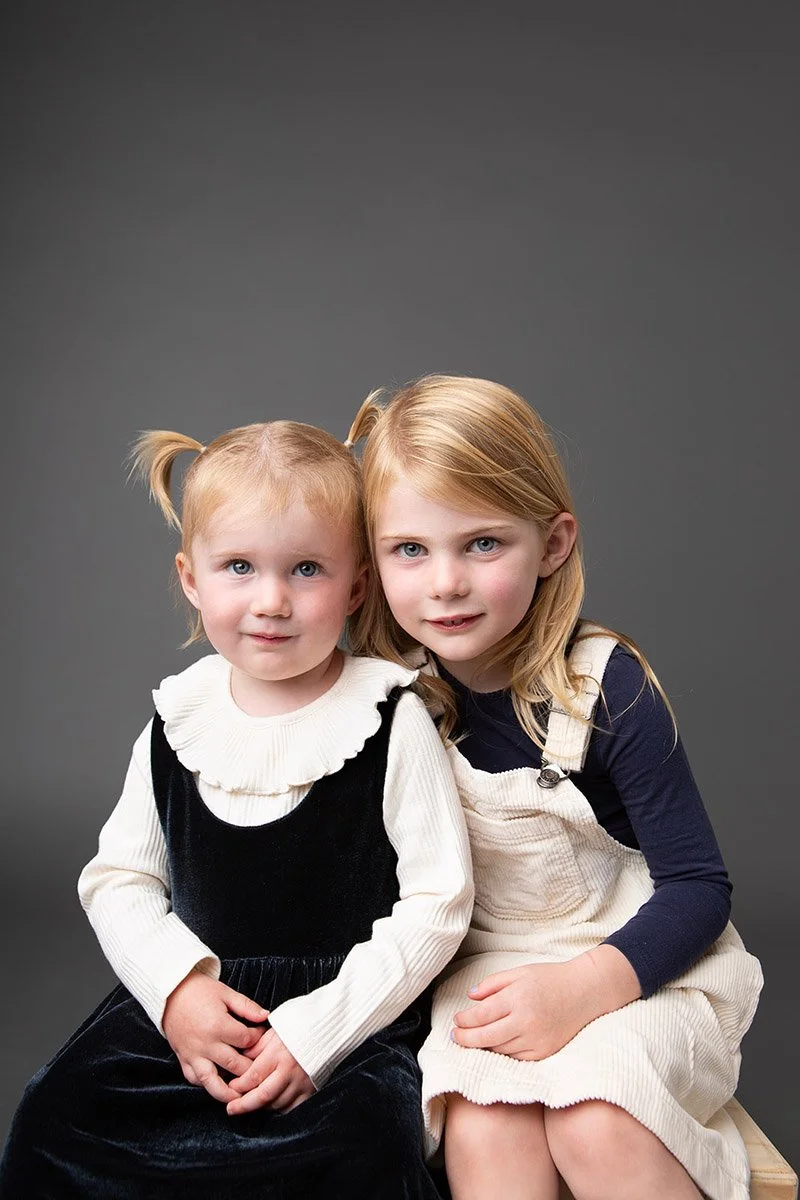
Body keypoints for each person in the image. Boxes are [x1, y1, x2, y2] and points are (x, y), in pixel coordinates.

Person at [0, 418, 473, 1199]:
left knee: (363, 1150)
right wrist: (177, 990)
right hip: (198, 1010)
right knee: (57, 1117)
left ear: (357, 584)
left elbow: (439, 905)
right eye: (240, 567)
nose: (272, 601)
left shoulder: (392, 718)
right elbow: (118, 880)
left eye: (307, 569)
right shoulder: (177, 720)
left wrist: (317, 1032)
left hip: (347, 1019)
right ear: (192, 578)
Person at [347, 374, 763, 1200]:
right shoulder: (389, 696)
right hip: (488, 972)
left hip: (639, 967)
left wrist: (583, 989)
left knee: (596, 1119)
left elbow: (698, 888)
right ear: (373, 561)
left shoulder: (605, 689)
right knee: (486, 1123)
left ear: (555, 542)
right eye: (410, 550)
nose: (445, 584)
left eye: (483, 544)